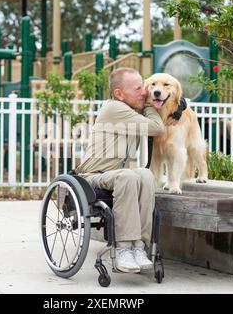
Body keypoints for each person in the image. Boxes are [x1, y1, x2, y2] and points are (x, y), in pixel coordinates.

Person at [74, 67, 186, 273]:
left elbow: (167, 109)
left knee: (144, 174)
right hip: (93, 176)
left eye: (143, 86)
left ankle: (139, 247)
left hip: (117, 175)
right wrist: (152, 105)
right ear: (119, 94)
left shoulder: (133, 109)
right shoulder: (114, 109)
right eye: (137, 89)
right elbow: (157, 128)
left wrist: (178, 107)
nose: (145, 92)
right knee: (127, 175)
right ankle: (124, 247)